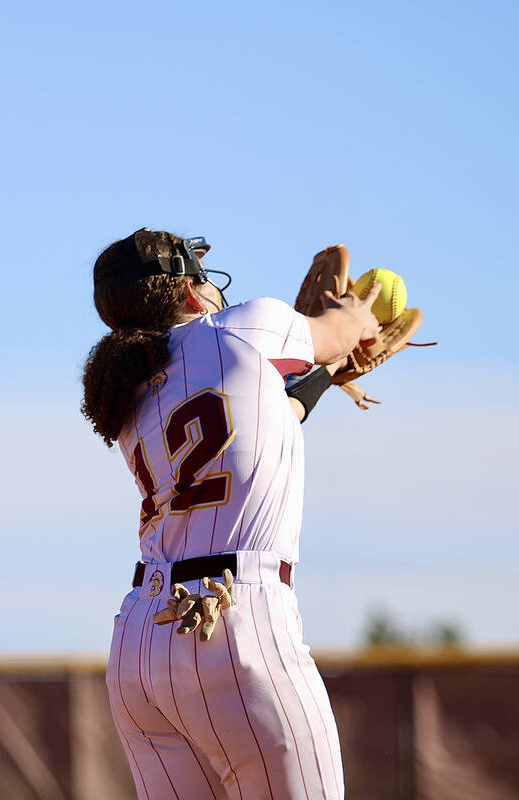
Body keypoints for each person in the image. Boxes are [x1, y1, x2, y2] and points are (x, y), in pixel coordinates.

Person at [81, 228, 380, 800]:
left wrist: (314, 380)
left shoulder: (130, 389)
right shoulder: (241, 325)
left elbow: (266, 418)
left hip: (143, 644)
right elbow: (343, 333)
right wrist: (357, 316)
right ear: (191, 290)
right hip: (234, 621)